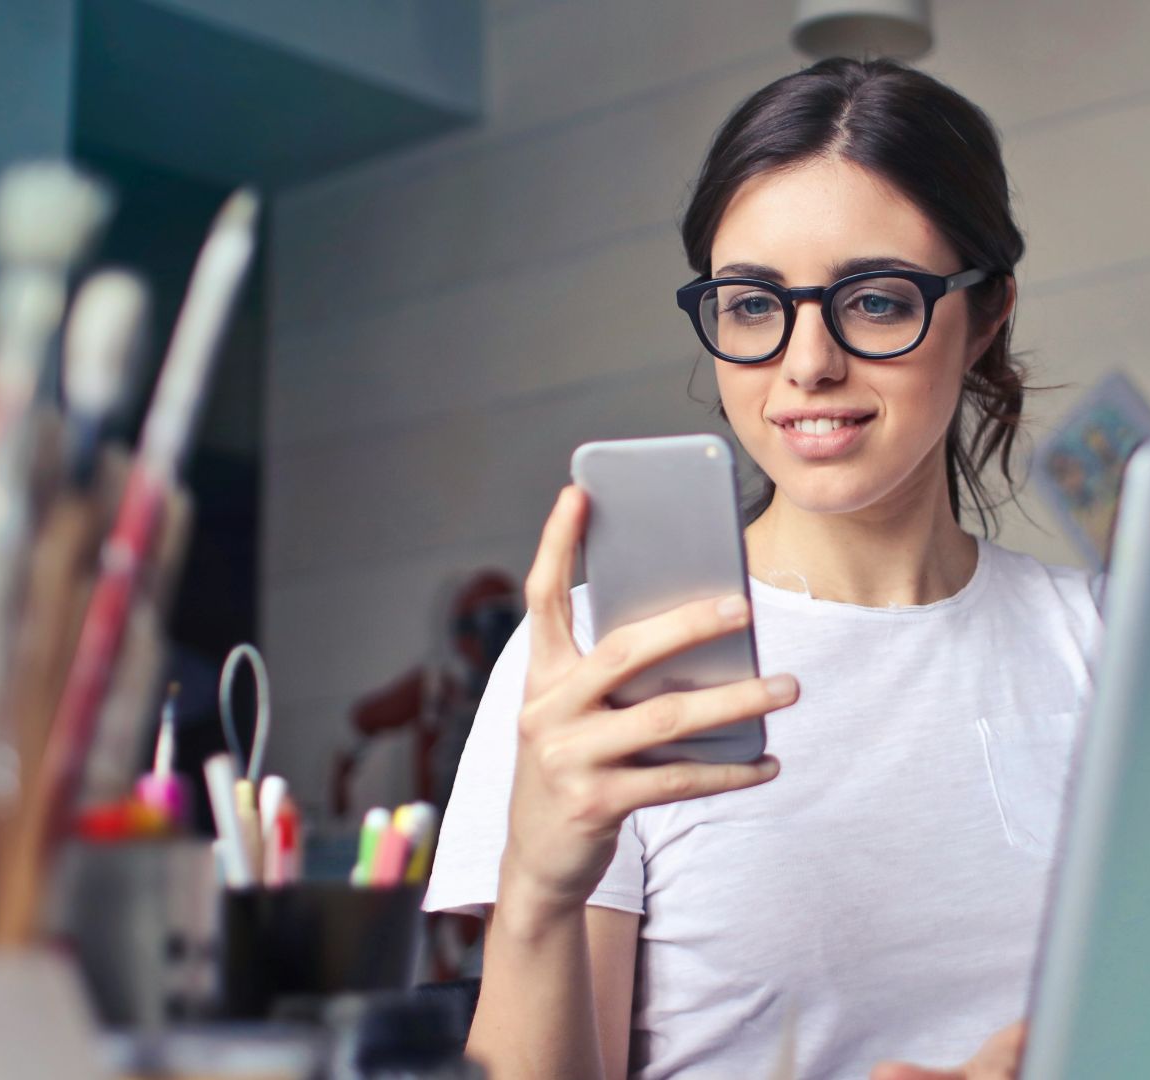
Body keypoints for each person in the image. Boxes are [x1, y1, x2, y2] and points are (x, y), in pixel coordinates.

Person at [426, 57, 1101, 1080]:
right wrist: (535, 895)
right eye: (752, 305)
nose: (806, 363)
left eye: (874, 301)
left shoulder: (1109, 643)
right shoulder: (604, 660)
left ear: (987, 313)